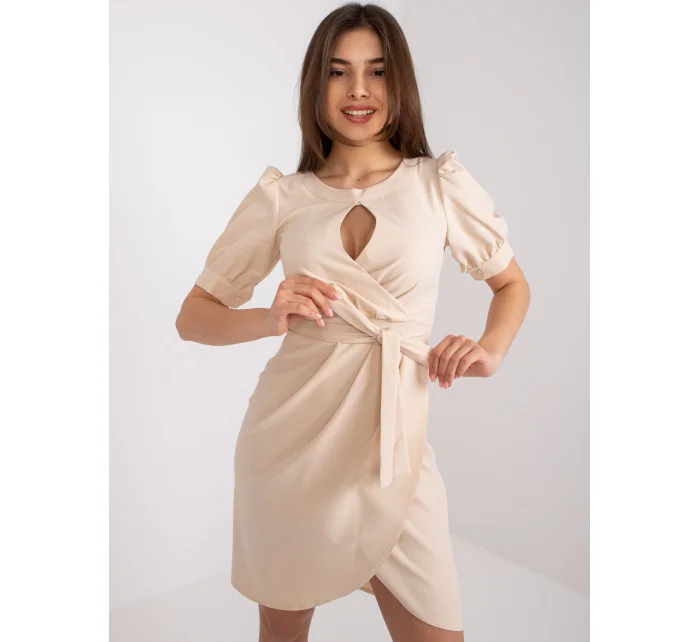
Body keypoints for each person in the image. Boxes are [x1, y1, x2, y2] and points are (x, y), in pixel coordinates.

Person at [175, 3, 530, 641]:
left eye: (377, 71)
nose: (359, 90)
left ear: (401, 82)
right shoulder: (282, 197)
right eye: (339, 72)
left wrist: (490, 351)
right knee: (284, 634)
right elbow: (193, 318)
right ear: (317, 85)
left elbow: (511, 285)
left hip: (395, 450)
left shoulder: (438, 183)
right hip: (290, 444)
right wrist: (271, 317)